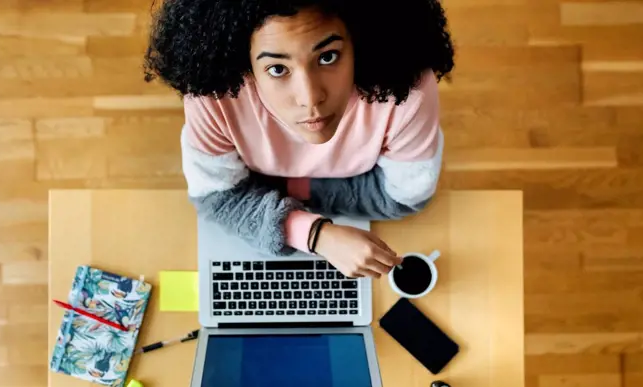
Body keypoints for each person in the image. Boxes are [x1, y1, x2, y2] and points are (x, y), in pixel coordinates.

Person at [143, 0, 455, 279]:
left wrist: (274, 192)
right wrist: (317, 234)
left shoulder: (406, 91)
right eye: (277, 68)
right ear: (243, 62)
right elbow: (216, 200)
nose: (311, 98)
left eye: (329, 56)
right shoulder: (211, 96)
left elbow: (405, 197)